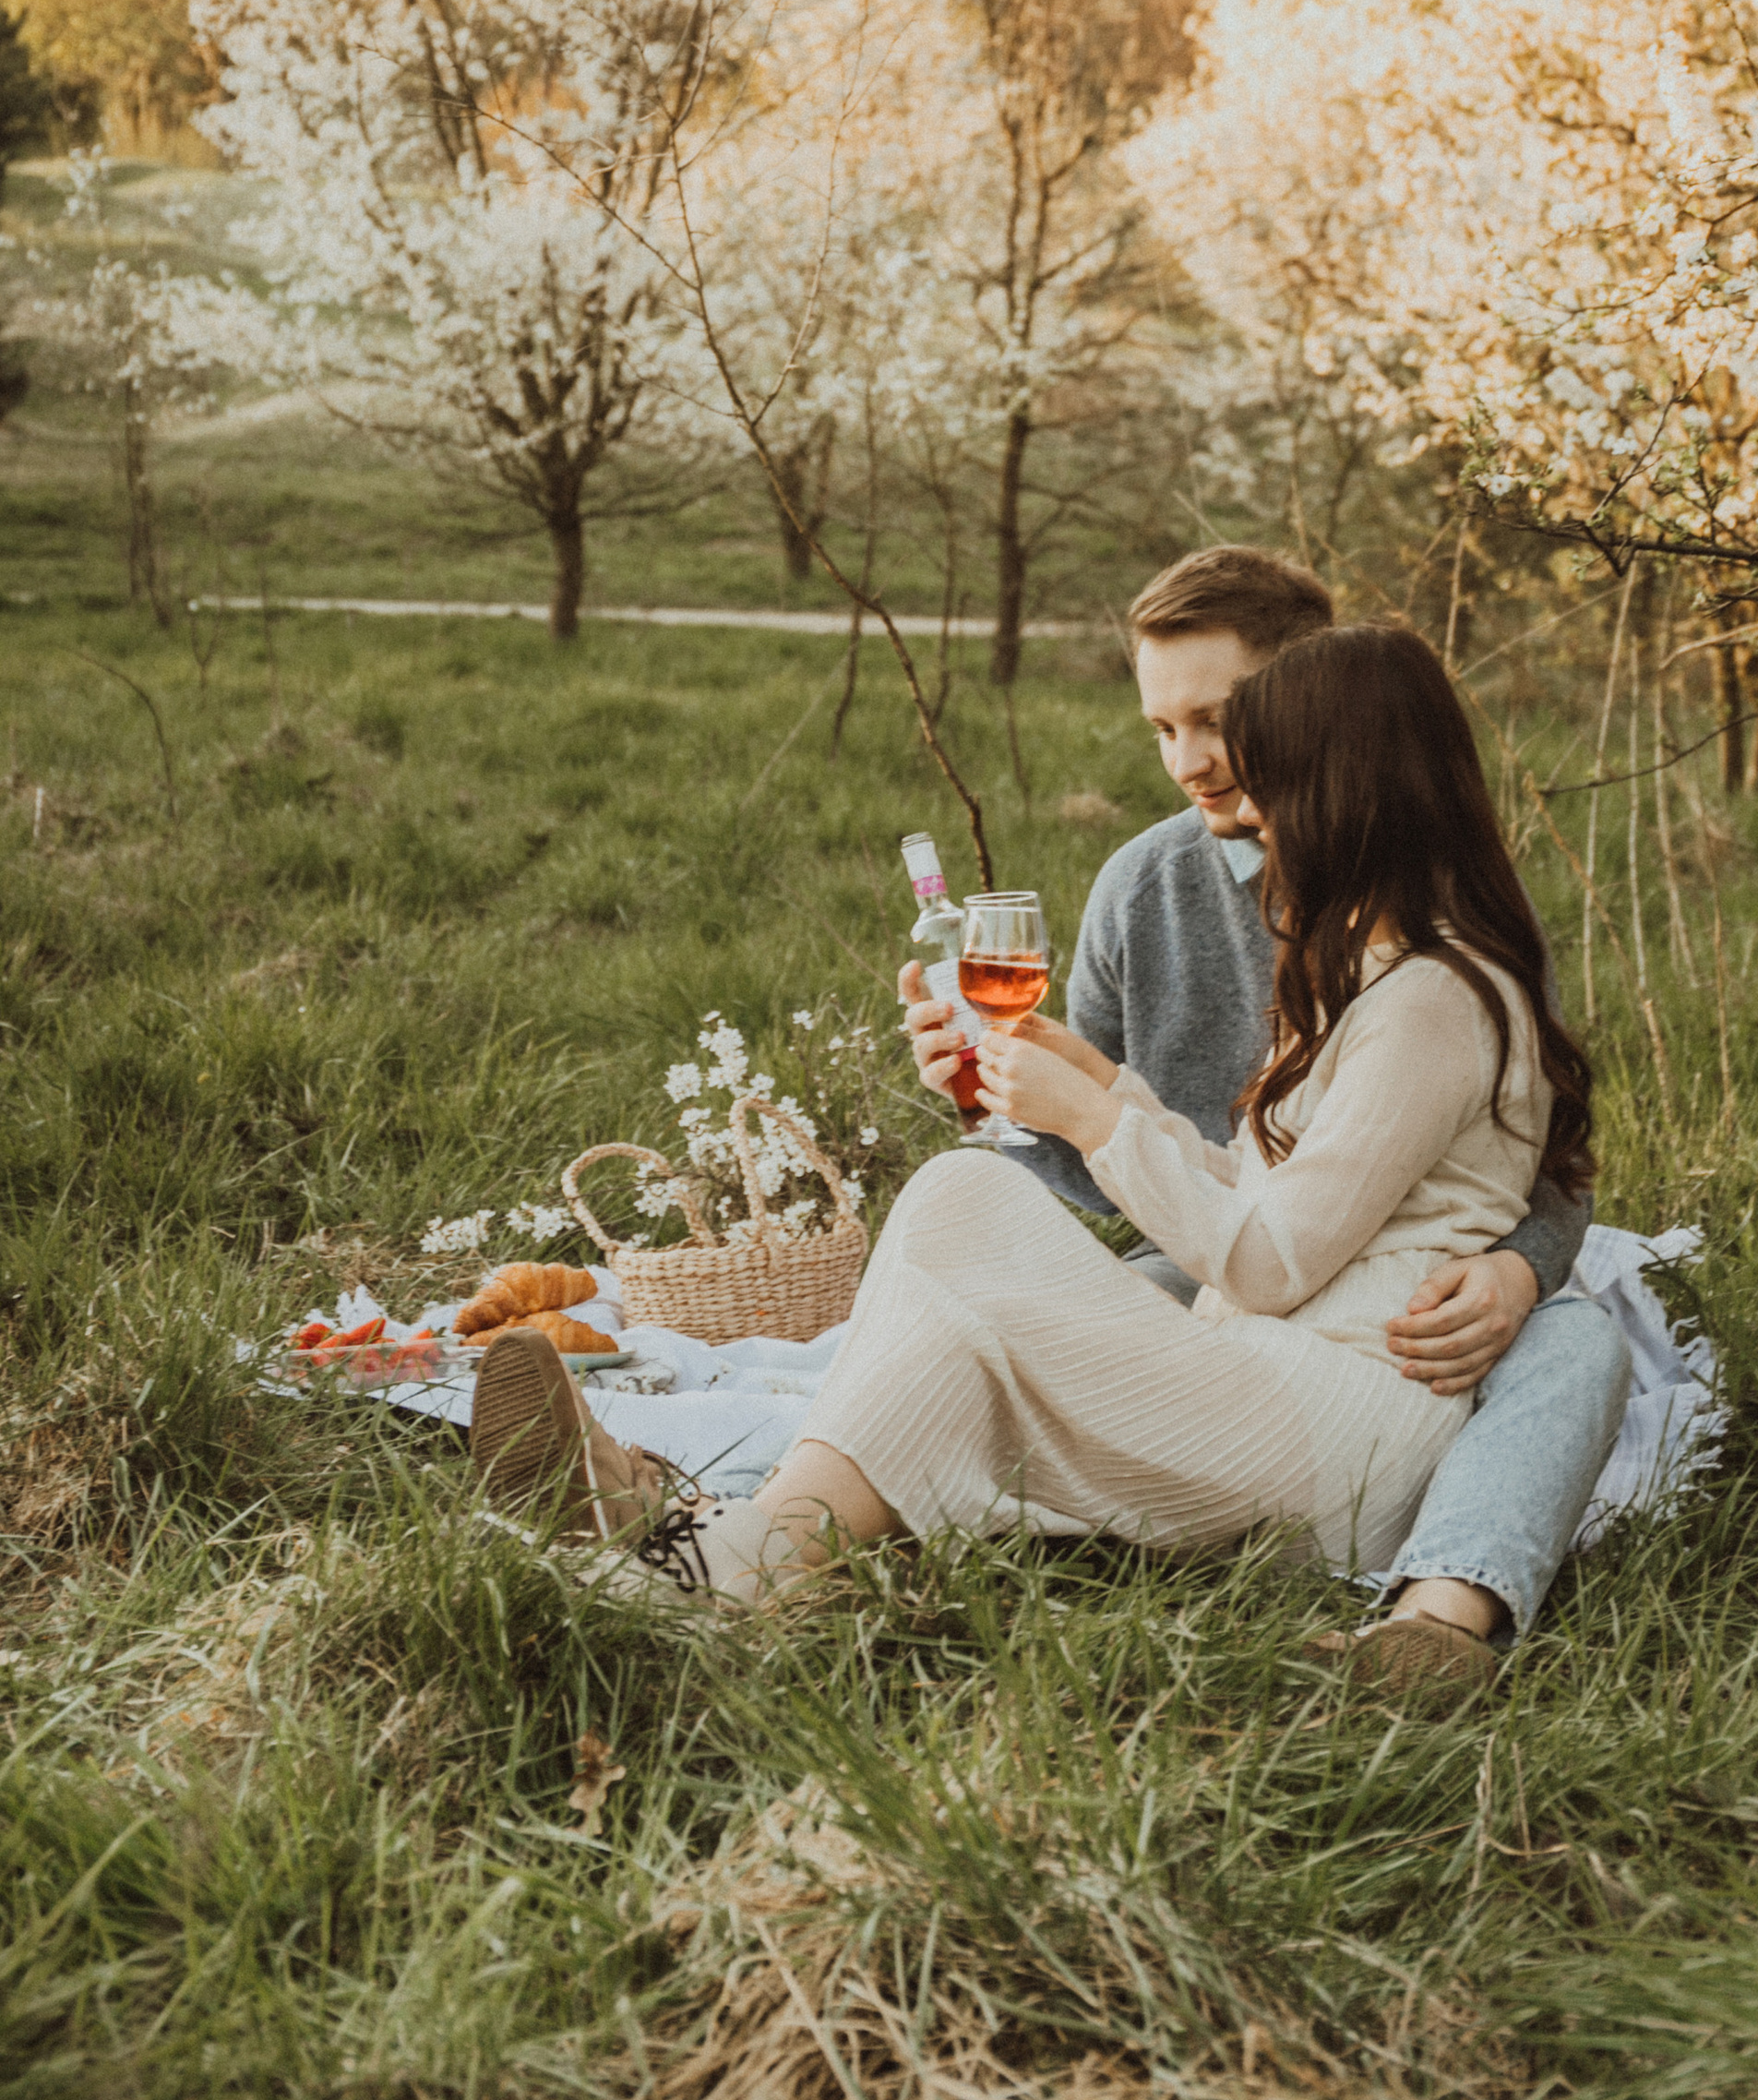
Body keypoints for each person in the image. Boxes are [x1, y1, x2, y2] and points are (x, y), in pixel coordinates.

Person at [471, 624, 1624, 1662]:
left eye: (1270, 783)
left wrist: (1097, 1120)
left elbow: (1272, 1264)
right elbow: (1271, 1199)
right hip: (1280, 1378)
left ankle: (721, 1547)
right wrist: (1103, 1082)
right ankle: (739, 1554)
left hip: (1341, 1431)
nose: (1247, 813)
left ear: (1350, 791)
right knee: (959, 1212)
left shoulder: (1431, 997)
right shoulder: (1381, 975)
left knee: (965, 1242)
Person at [904, 548, 1631, 1690]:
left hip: (1396, 1289)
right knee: (986, 1320)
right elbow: (1100, 1166)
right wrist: (999, 1089)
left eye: (1216, 720)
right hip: (1206, 1257)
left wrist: (1522, 1274)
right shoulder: (1143, 887)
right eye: (1159, 728)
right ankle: (796, 1511)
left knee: (1582, 1341)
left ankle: (1441, 1618)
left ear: (1315, 704)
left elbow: (1538, 1146)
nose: (1192, 765)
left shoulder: (1439, 929)